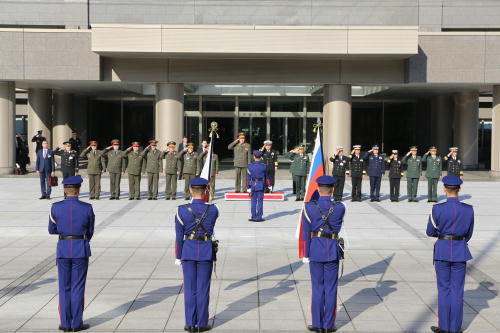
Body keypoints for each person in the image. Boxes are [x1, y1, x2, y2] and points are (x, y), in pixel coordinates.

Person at [426, 175, 474, 333]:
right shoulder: (468, 209)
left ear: (444, 189)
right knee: (457, 290)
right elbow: (469, 234)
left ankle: (444, 327)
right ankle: (454, 328)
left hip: (442, 251)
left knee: (444, 289)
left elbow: (430, 231)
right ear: (459, 189)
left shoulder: (437, 209)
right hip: (460, 251)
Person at [48, 175, 94, 332]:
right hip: (80, 249)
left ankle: (65, 323)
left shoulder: (55, 207)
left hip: (63, 249)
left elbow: (51, 230)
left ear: (65, 191)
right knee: (77, 287)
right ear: (79, 190)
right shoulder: (87, 208)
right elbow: (90, 231)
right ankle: (76, 324)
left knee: (64, 287)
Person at [300, 175, 346, 333]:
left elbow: (306, 233)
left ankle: (317, 324)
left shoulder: (308, 207)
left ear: (318, 189)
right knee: (331, 288)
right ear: (332, 190)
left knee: (317, 288)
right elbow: (338, 226)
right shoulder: (340, 207)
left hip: (315, 250)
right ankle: (328, 325)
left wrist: (305, 254)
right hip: (332, 250)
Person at [174, 178, 219, 333]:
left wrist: (178, 256)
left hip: (188, 251)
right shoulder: (214, 209)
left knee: (189, 289)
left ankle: (189, 323)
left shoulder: (181, 210)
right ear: (206, 190)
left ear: (190, 190)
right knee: (202, 289)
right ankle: (201, 324)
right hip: (206, 251)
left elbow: (178, 237)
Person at [246, 150, 269, 222]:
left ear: (253, 156)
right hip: (260, 184)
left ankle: (253, 216)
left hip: (252, 184)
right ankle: (259, 217)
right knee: (260, 201)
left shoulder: (249, 166)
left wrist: (248, 187)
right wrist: (269, 185)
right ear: (261, 157)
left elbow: (248, 178)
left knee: (253, 201)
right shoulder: (264, 166)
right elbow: (267, 177)